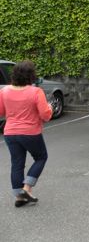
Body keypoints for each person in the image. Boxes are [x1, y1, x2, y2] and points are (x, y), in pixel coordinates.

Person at [0, 60, 52, 207]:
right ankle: (26, 188)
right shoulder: (36, 92)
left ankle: (19, 197)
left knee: (17, 163)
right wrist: (50, 108)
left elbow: (1, 112)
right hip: (30, 132)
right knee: (41, 157)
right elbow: (46, 116)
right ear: (31, 75)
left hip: (10, 132)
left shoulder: (4, 91)